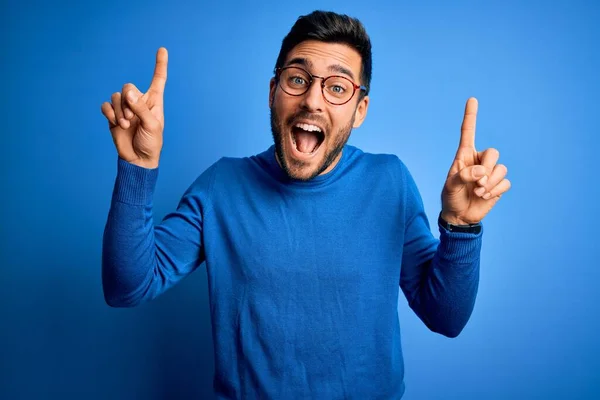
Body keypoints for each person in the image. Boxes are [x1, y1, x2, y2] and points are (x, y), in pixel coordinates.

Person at [100, 10, 510, 400]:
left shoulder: (390, 183)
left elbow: (446, 318)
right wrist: (137, 167)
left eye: (336, 87)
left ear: (359, 110)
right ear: (272, 92)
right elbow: (127, 287)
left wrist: (460, 226)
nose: (313, 100)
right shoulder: (221, 187)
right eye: (297, 79)